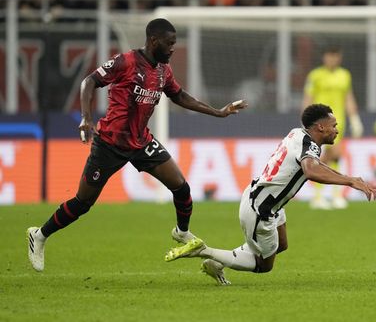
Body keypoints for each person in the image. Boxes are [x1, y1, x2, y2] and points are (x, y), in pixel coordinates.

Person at [26, 18, 248, 272]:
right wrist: (86, 118)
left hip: (141, 142)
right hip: (109, 143)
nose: (173, 48)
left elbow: (180, 96)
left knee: (181, 187)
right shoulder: (126, 62)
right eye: (170, 43)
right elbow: (89, 81)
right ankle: (39, 234)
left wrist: (218, 112)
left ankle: (182, 232)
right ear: (154, 41)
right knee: (82, 203)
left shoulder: (164, 70)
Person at [164, 104, 376, 285]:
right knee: (264, 265)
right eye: (334, 126)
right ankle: (204, 251)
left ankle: (218, 262)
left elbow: (316, 164)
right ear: (320, 127)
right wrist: (350, 181)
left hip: (264, 200)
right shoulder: (308, 146)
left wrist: (349, 177)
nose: (337, 130)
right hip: (261, 209)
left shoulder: (298, 133)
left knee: (281, 244)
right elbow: (311, 170)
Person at [302, 46, 364, 210]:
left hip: (338, 122)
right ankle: (323, 196)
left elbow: (348, 98)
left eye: (335, 56)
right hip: (319, 123)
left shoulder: (344, 75)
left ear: (339, 58)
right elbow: (308, 98)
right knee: (327, 156)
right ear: (324, 57)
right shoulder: (315, 75)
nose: (332, 59)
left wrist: (355, 119)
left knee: (334, 156)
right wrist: (306, 120)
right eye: (329, 56)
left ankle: (329, 196)